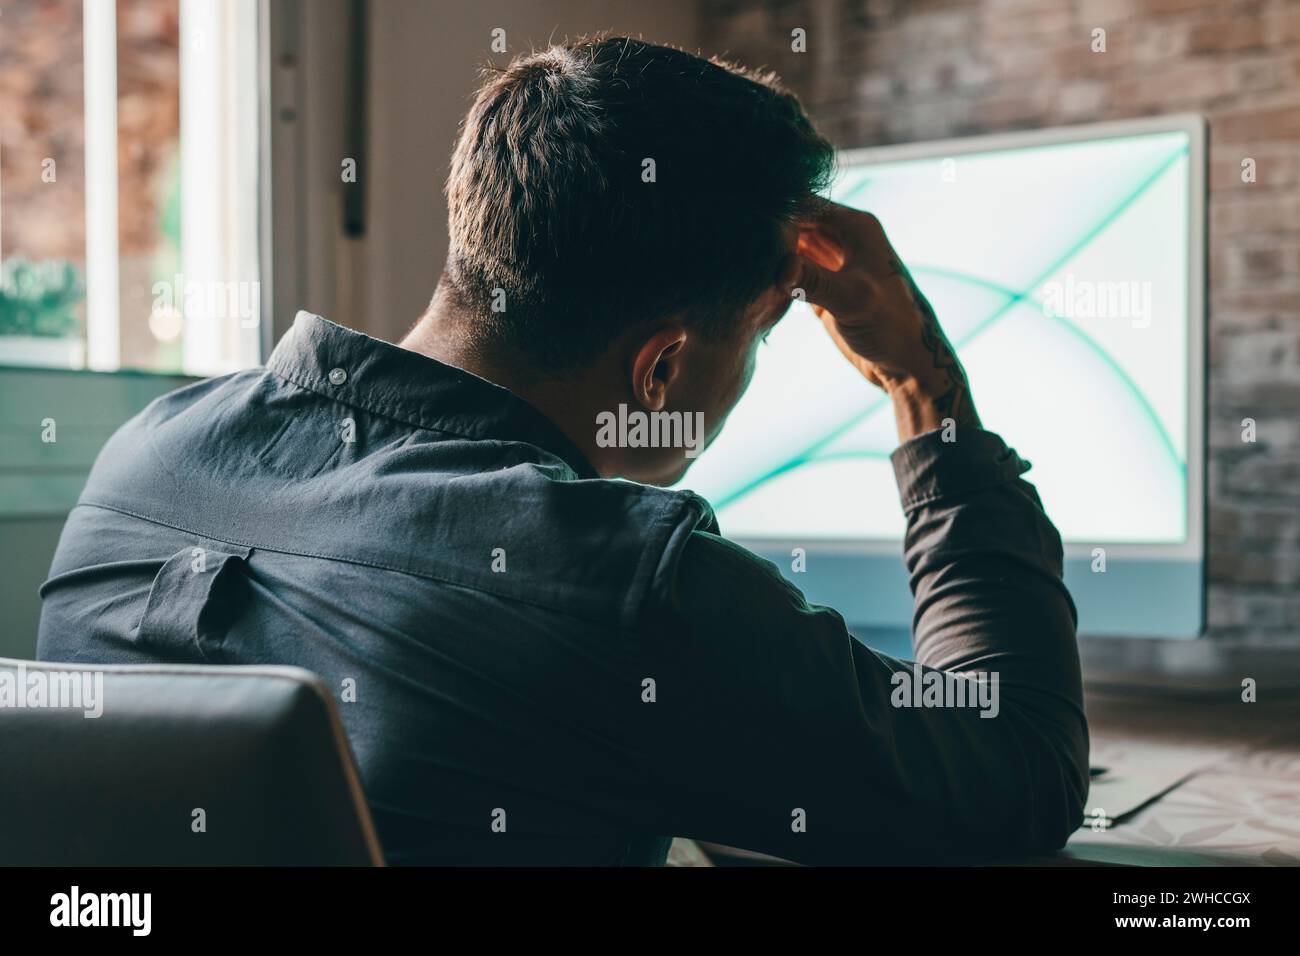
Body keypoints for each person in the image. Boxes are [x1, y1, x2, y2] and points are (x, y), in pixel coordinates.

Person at [38, 35, 1088, 865]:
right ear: (659, 370)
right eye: (762, 332)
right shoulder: (620, 582)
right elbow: (1017, 764)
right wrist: (922, 386)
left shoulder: (149, 456)